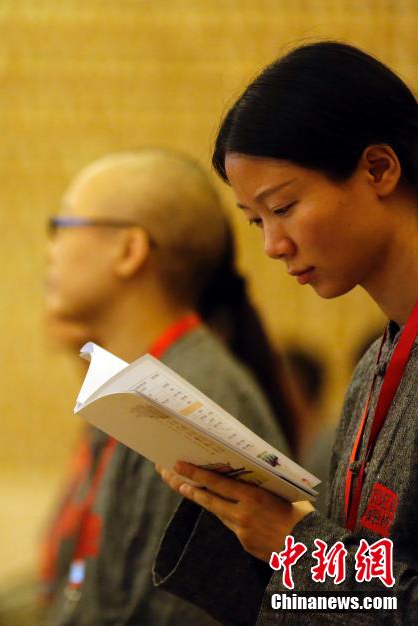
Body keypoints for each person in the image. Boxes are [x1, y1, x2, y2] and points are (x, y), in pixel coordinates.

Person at [154, 42, 418, 624]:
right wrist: (247, 517)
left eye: (283, 207)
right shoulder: (374, 367)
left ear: (379, 169)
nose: (272, 246)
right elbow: (352, 589)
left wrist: (296, 544)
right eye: (256, 220)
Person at [40, 149, 292, 625]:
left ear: (129, 251)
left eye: (63, 226)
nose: (51, 251)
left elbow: (180, 612)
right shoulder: (140, 383)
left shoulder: (190, 396)